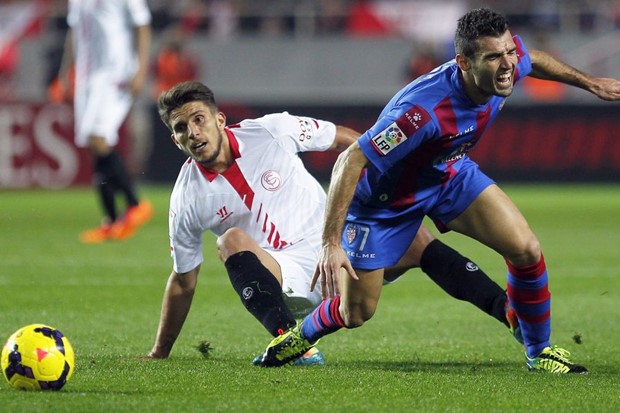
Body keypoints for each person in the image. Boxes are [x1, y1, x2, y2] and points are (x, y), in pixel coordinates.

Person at [257, 8, 620, 372]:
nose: (508, 64)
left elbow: (533, 59)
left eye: (509, 51)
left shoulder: (505, 64)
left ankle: (539, 351)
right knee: (356, 311)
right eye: (494, 57)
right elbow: (350, 161)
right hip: (385, 204)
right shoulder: (420, 113)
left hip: (447, 175)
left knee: (525, 249)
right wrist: (330, 244)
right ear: (463, 61)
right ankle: (298, 337)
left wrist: (591, 83)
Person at [144, 81, 521, 365]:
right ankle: (292, 342)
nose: (193, 133)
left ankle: (509, 312)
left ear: (219, 119)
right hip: (287, 277)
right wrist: (160, 350)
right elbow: (183, 279)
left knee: (416, 239)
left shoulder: (272, 130)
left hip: (338, 245)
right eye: (180, 128)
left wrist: (387, 176)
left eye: (198, 120)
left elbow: (346, 141)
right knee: (230, 240)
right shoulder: (186, 197)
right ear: (175, 140)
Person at [57, 0, 154, 243]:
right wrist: (65, 72)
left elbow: (142, 25)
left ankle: (135, 204)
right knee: (93, 145)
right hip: (87, 76)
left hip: (115, 72)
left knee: (98, 138)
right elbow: (74, 31)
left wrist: (141, 71)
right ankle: (112, 221)